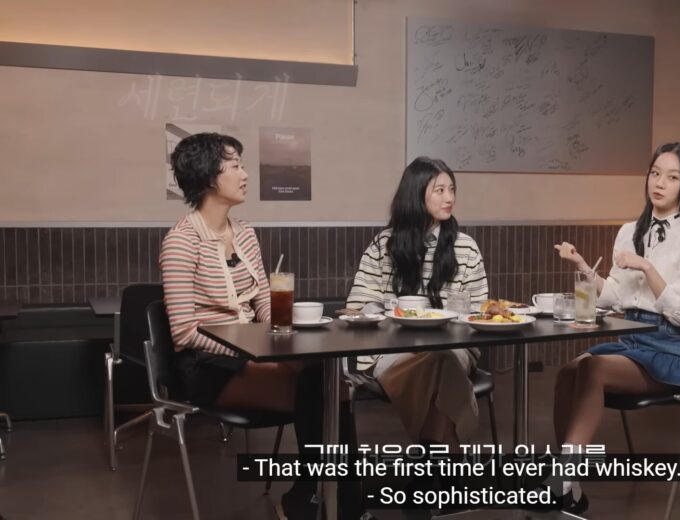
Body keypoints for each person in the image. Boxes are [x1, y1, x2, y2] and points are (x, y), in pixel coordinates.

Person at [160, 133, 349, 520]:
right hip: (208, 365)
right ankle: (314, 500)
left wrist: (283, 328)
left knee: (332, 378)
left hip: (255, 353)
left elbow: (264, 301)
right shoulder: (181, 241)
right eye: (235, 166)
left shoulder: (246, 233)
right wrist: (252, 348)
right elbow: (183, 332)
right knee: (318, 386)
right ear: (209, 176)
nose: (245, 174)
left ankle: (334, 498)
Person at [551, 142, 680, 514]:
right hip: (633, 341)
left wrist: (647, 266)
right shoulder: (630, 231)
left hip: (677, 349)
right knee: (567, 373)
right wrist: (582, 265)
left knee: (593, 369)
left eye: (671, 177)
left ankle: (561, 479)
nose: (659, 183)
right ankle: (571, 486)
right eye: (655, 173)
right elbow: (615, 296)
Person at [347, 157, 489, 447]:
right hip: (392, 351)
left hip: (454, 348)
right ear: (415, 193)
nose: (449, 198)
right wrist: (390, 314)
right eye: (440, 190)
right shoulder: (384, 245)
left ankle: (433, 457)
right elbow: (358, 308)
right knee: (438, 367)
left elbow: (479, 314)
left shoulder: (466, 247)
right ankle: (446, 457)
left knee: (442, 358)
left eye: (452, 189)